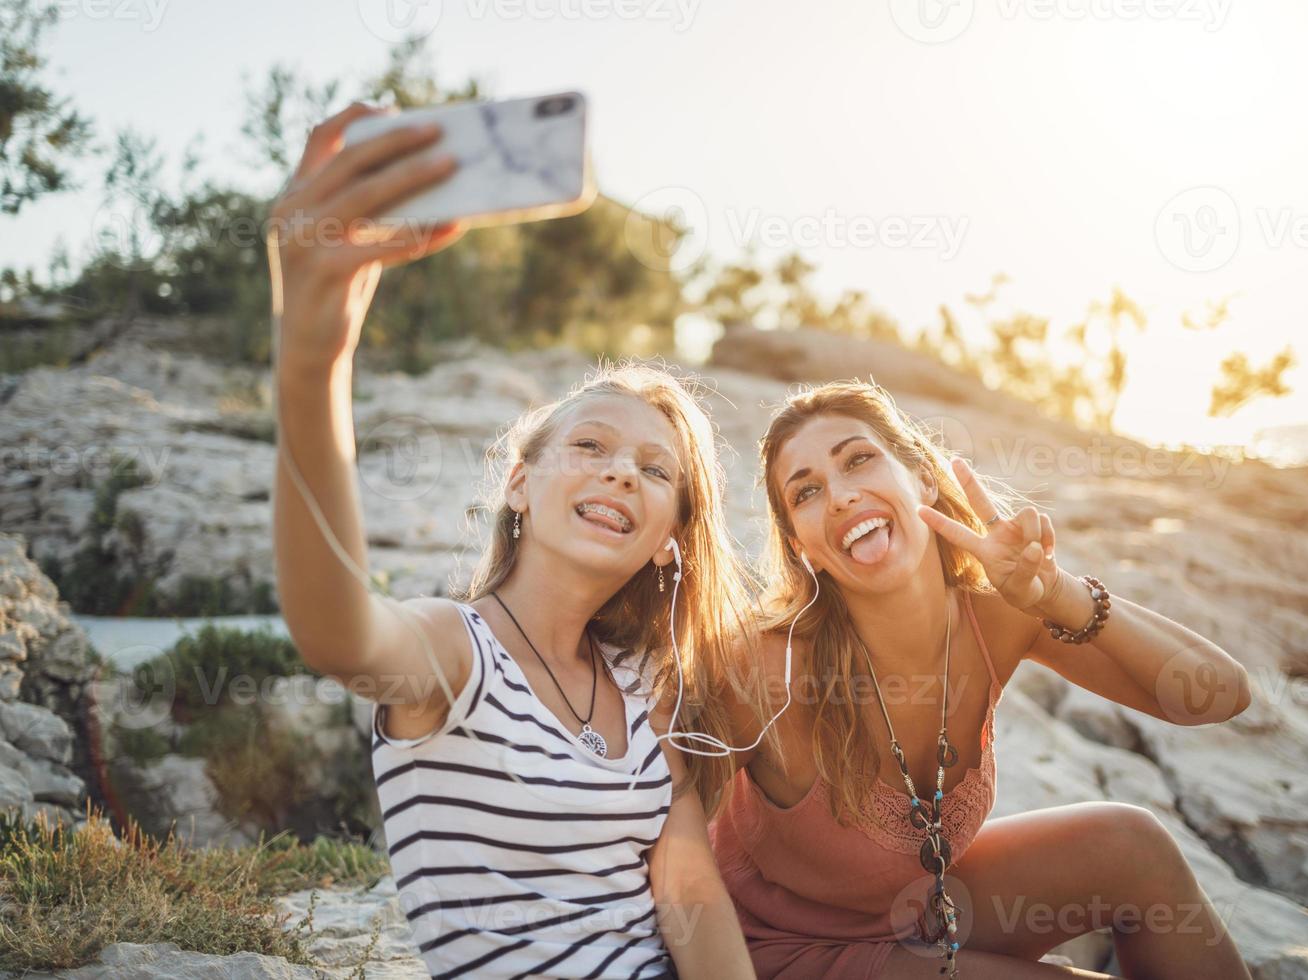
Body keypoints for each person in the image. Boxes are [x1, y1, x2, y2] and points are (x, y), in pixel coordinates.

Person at [269, 100, 757, 980]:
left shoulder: (645, 684)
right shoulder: (456, 654)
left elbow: (689, 893)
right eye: (590, 447)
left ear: (668, 542)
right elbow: (335, 630)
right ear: (521, 485)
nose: (619, 474)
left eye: (655, 471)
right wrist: (314, 364)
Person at [705, 380, 1255, 979]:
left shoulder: (997, 614)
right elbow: (645, 817)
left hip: (919, 911)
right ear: (801, 546)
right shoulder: (768, 667)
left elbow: (1217, 694)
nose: (839, 496)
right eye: (806, 490)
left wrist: (1060, 596)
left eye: (858, 459)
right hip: (775, 951)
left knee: (1133, 845)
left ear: (921, 476)